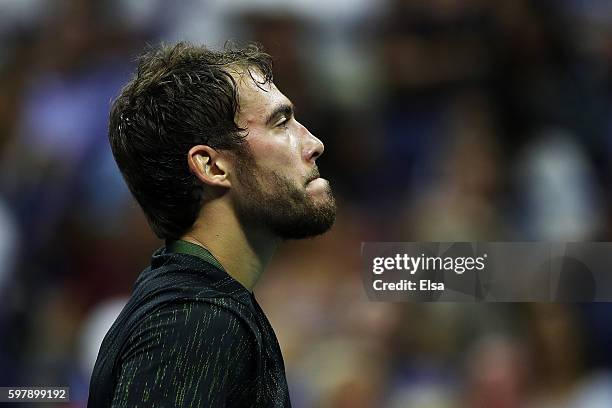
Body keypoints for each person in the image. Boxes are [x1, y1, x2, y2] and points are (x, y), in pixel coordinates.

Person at [87, 42, 336, 407]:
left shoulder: (197, 310)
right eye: (280, 123)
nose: (314, 143)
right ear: (212, 166)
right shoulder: (194, 325)